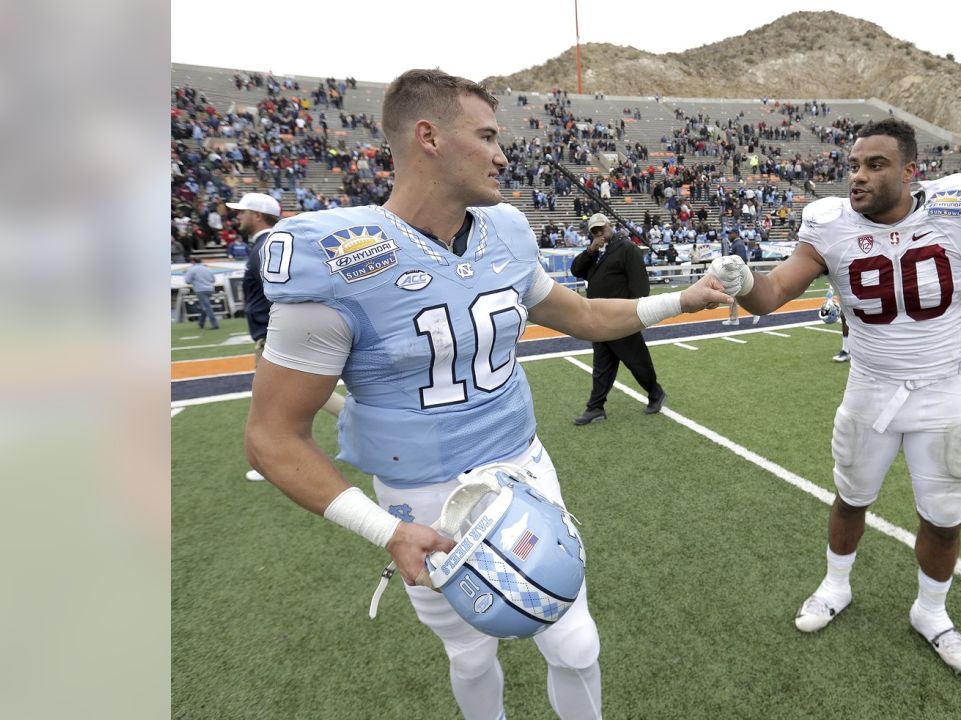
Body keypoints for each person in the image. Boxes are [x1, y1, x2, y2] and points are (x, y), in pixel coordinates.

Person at [243, 69, 730, 720]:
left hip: (524, 468)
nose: (503, 154)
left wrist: (679, 299)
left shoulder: (502, 233)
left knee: (577, 641)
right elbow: (272, 435)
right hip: (424, 501)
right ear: (430, 139)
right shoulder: (339, 257)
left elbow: (583, 317)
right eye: (488, 136)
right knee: (470, 655)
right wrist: (386, 530)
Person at [708, 119, 961, 679]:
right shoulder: (829, 226)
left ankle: (931, 612)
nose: (858, 176)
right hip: (870, 388)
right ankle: (836, 585)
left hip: (945, 390)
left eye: (875, 165)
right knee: (850, 497)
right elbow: (774, 293)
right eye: (854, 164)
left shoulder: (959, 215)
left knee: (945, 518)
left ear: (910, 171)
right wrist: (742, 282)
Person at [231, 191, 344, 482]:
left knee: (273, 404)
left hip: (272, 335)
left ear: (257, 215)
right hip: (274, 333)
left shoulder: (266, 247)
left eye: (242, 212)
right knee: (300, 397)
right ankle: (358, 421)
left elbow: (280, 295)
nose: (237, 217)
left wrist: (278, 335)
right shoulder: (268, 245)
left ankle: (273, 460)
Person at [570, 213, 670, 425]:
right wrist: (590, 250)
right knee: (602, 365)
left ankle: (655, 392)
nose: (600, 234)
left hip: (620, 317)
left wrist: (635, 314)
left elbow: (640, 286)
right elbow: (576, 270)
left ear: (610, 226)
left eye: (602, 229)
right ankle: (595, 407)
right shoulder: (594, 253)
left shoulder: (626, 249)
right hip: (598, 318)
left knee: (636, 361)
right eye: (595, 231)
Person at [722, 228, 758, 326]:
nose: (729, 235)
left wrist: (736, 274)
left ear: (736, 234)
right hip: (737, 274)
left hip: (738, 274)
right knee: (738, 296)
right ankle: (736, 318)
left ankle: (737, 318)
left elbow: (741, 261)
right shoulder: (736, 244)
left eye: (730, 233)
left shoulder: (739, 245)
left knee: (738, 295)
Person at [181, 257, 219, 330]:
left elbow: (187, 281)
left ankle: (215, 324)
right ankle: (201, 323)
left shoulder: (192, 269)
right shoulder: (207, 268)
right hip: (210, 289)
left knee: (207, 307)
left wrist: (186, 274)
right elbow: (213, 280)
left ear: (193, 261)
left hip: (200, 289)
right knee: (205, 306)